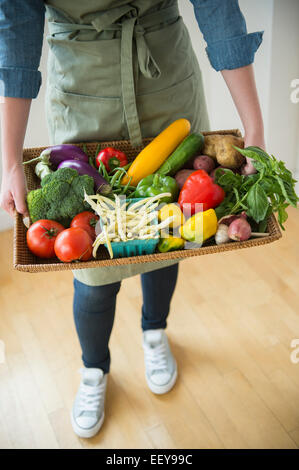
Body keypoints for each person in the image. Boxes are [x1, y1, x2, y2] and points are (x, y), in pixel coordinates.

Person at [0, 0, 265, 439]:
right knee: (93, 267)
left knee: (170, 231)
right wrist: (10, 158)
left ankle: (155, 331)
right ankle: (94, 371)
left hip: (166, 74)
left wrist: (252, 128)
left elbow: (217, 5)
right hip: (83, 86)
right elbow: (16, 27)